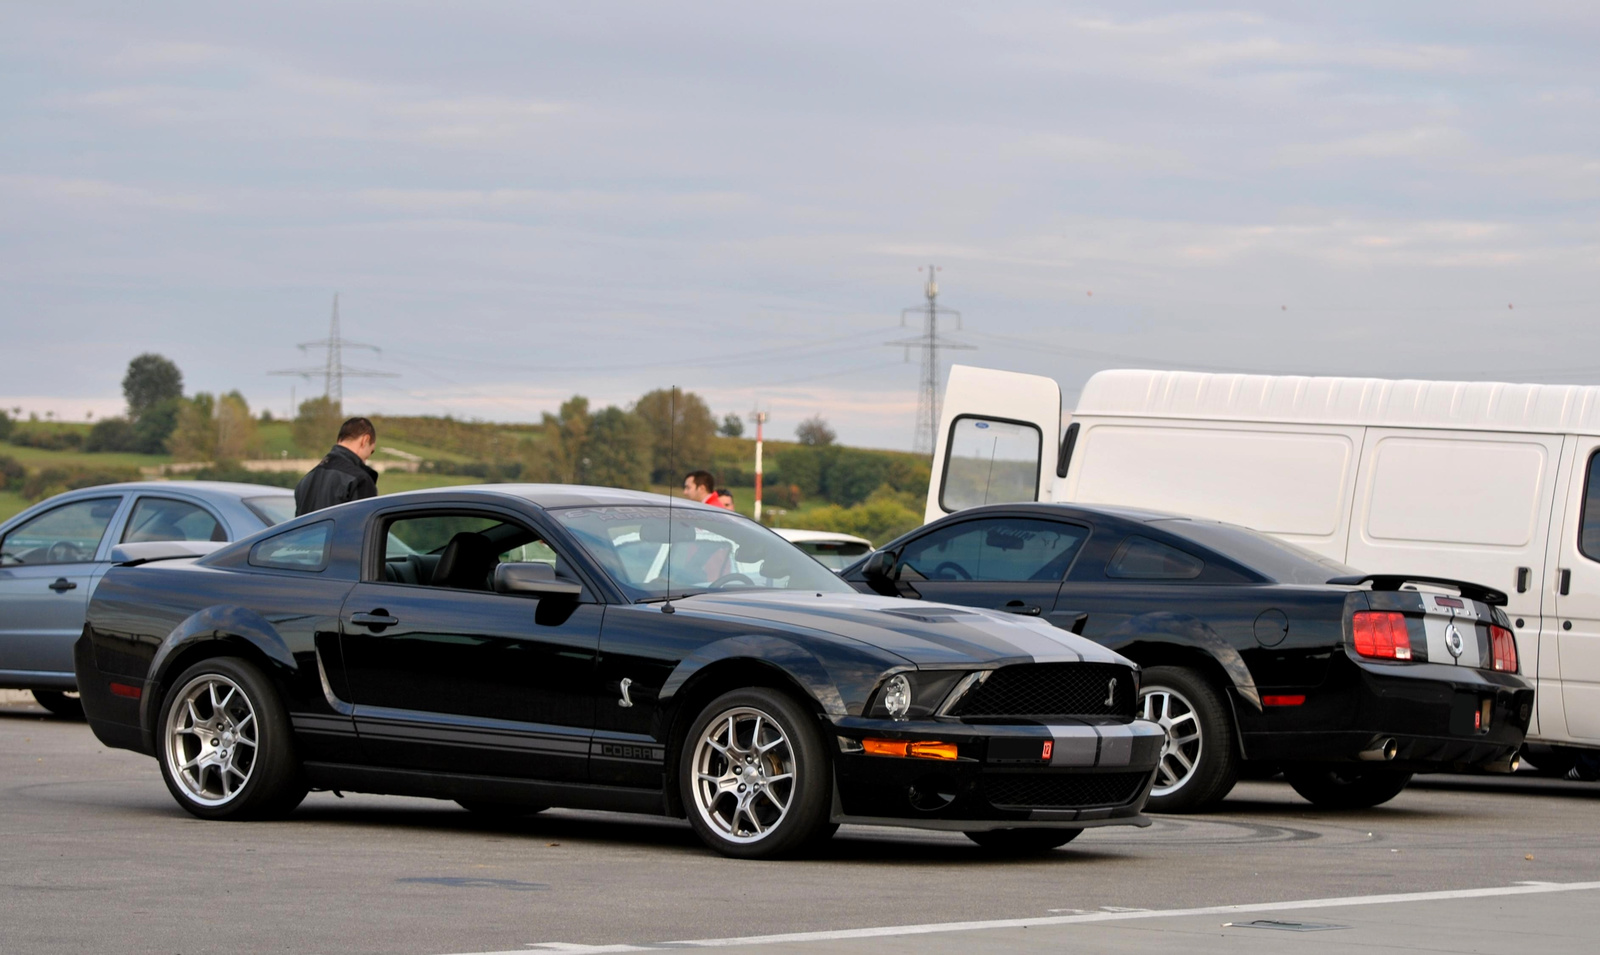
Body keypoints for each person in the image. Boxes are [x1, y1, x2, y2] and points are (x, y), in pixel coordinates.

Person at [295, 417, 380, 516]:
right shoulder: (360, 480)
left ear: (339, 439)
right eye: (371, 451)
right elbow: (362, 528)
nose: (366, 459)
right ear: (365, 440)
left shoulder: (305, 481)